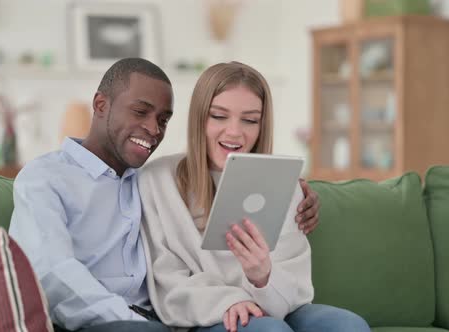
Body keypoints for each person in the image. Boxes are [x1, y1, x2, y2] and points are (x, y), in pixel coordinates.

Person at [9, 58, 320, 332]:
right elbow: (53, 275)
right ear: (101, 105)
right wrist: (136, 324)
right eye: (141, 112)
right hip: (104, 322)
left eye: (163, 119)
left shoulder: (142, 177)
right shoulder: (45, 178)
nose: (153, 129)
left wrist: (297, 191)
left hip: (155, 320)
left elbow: (212, 175)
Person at [138, 62, 370, 332]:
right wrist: (230, 300)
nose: (235, 132)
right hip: (210, 314)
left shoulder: (283, 182)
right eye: (218, 116)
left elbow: (295, 287)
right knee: (267, 330)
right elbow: (167, 281)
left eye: (249, 120)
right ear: (199, 118)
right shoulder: (156, 179)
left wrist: (263, 277)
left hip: (279, 306)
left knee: (349, 326)